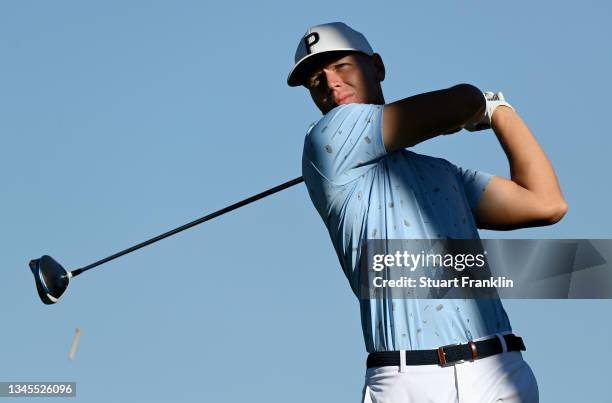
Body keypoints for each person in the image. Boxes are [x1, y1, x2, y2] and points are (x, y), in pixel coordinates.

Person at [288, 22, 568, 403]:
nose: (332, 85)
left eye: (342, 67)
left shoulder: (440, 173)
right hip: (408, 380)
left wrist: (500, 110)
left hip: (498, 369)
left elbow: (545, 203)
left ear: (377, 67)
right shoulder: (328, 136)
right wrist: (474, 108)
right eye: (316, 80)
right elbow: (461, 101)